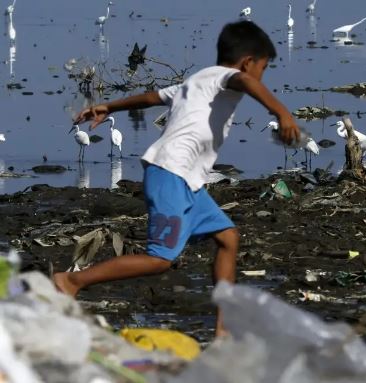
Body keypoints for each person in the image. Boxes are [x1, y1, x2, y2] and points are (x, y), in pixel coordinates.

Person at [53, 20, 299, 336]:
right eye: (263, 68)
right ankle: (71, 281)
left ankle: (223, 330)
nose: (262, 76)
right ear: (248, 62)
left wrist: (107, 106)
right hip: (171, 172)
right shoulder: (228, 77)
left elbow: (151, 98)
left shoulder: (198, 81)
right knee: (160, 260)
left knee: (228, 238)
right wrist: (282, 113)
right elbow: (245, 81)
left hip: (188, 180)